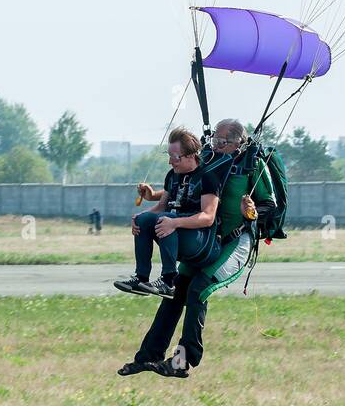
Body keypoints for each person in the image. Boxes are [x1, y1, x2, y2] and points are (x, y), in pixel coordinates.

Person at [117, 118, 276, 378]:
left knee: (197, 291)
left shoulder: (252, 165)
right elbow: (183, 189)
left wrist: (252, 211)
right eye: (214, 138)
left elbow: (270, 205)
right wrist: (153, 195)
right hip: (203, 237)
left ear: (237, 142)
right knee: (175, 293)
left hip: (234, 242)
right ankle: (149, 357)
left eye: (221, 141)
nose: (215, 144)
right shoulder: (209, 159)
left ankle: (182, 361)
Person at [113, 128, 208, 297]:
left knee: (168, 218)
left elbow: (208, 217)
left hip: (199, 237)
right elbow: (160, 207)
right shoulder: (172, 175)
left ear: (191, 155)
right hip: (174, 228)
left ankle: (168, 280)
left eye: (175, 157)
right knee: (145, 219)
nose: (170, 162)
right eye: (169, 156)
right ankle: (141, 277)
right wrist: (140, 217)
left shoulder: (207, 177)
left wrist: (175, 222)